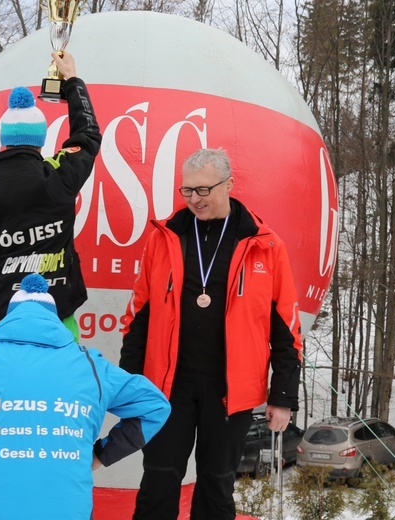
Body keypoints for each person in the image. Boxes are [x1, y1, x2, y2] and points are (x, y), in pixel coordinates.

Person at [0, 273, 171, 520]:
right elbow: (155, 406)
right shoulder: (90, 366)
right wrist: (101, 454)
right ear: (55, 320)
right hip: (68, 510)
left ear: (10, 316)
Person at [119, 148, 303, 519]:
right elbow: (139, 314)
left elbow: (286, 329)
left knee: (217, 486)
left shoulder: (265, 246)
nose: (194, 200)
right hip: (169, 387)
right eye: (187, 191)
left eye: (203, 190)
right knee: (157, 482)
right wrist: (131, 383)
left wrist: (282, 395)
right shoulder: (164, 238)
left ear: (229, 185)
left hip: (229, 392)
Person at [0, 50, 101, 342]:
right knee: (59, 389)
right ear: (40, 140)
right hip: (56, 317)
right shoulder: (59, 174)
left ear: (4, 140)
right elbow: (88, 135)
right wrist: (72, 80)